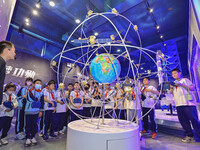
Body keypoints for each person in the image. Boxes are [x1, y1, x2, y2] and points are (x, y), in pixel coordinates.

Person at [170, 68, 200, 143]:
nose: (174, 75)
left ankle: (199, 135)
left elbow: (193, 88)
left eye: (175, 73)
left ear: (180, 73)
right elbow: (172, 93)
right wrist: (171, 88)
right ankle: (189, 135)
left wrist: (181, 84)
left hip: (188, 104)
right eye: (173, 74)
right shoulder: (174, 83)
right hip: (179, 104)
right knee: (183, 121)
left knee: (194, 120)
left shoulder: (185, 80)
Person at [24, 79, 43, 146]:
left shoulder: (41, 92)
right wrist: (37, 99)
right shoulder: (30, 90)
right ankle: (28, 138)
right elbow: (30, 98)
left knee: (34, 124)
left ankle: (33, 137)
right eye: (37, 83)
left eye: (40, 83)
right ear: (34, 84)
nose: (39, 84)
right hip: (29, 111)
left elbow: (42, 102)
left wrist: (41, 111)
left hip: (36, 112)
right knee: (28, 125)